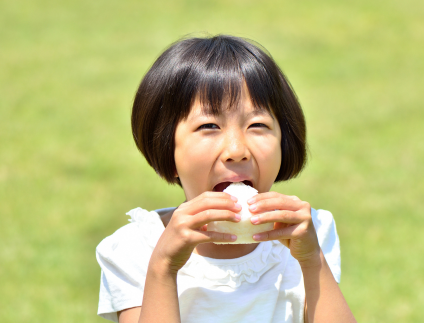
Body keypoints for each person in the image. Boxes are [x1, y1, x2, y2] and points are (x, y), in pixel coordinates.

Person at [96, 34, 357, 323]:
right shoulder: (136, 248)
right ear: (168, 150)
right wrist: (164, 267)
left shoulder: (309, 233)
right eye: (209, 125)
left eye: (258, 125)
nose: (237, 151)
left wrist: (312, 260)